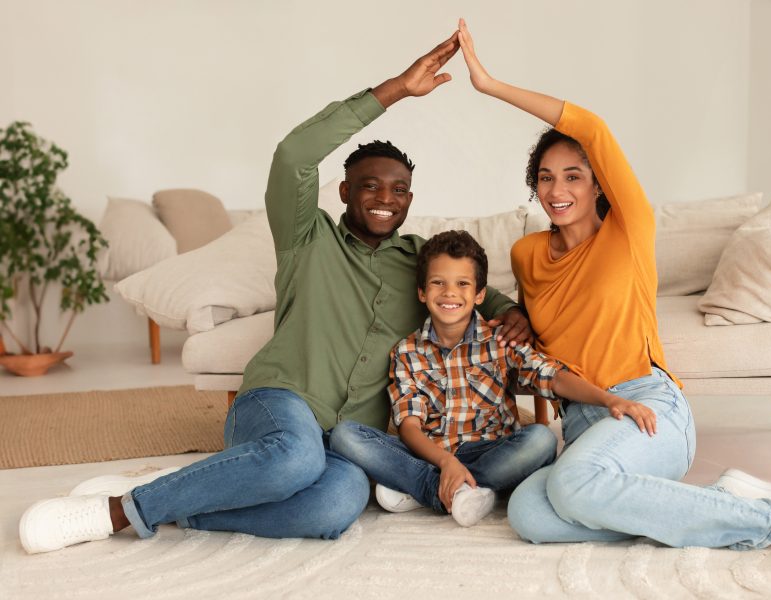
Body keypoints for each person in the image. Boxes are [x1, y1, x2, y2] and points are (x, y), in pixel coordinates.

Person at [18, 32, 533, 554]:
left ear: (410, 200)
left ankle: (176, 505)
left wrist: (510, 310)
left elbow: (473, 288)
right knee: (294, 458)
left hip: (347, 436)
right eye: (370, 185)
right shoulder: (306, 237)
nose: (385, 198)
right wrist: (398, 88)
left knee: (337, 504)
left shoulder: (421, 261)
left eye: (398, 189)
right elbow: (292, 156)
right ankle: (116, 512)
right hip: (278, 402)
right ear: (344, 191)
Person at [455, 18, 771, 565]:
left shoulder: (629, 229)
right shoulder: (526, 255)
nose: (558, 190)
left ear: (598, 183)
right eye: (546, 178)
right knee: (529, 513)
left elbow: (591, 127)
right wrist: (517, 315)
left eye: (573, 175)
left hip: (649, 407)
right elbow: (541, 325)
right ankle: (720, 500)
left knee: (572, 489)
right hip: (585, 420)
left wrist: (490, 85)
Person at [330, 230, 657, 528]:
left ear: (480, 294)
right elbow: (409, 427)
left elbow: (552, 377)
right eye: (438, 283)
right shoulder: (407, 351)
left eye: (462, 284)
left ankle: (425, 487)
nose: (449, 293)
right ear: (421, 292)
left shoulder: (499, 341)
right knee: (345, 435)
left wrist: (610, 399)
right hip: (431, 452)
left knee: (541, 441)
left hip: (490, 452)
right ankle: (451, 487)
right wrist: (445, 462)